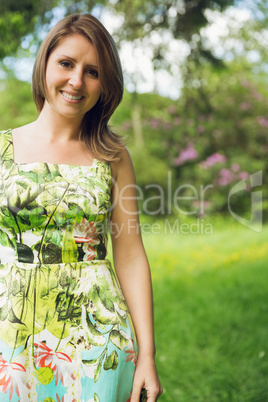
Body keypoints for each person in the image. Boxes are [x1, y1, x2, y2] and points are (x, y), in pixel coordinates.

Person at [0, 13, 162, 402]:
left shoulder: (113, 157)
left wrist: (147, 356)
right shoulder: (2, 148)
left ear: (105, 85)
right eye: (67, 64)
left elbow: (130, 253)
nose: (76, 81)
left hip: (96, 339)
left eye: (92, 72)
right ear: (44, 66)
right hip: (9, 332)